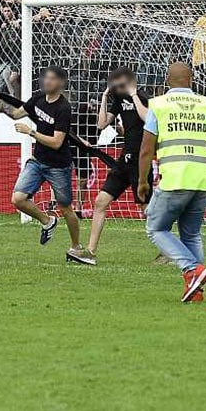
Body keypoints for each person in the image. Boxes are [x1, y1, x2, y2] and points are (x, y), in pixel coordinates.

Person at [137, 62, 206, 303]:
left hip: (175, 178)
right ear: (191, 80)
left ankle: (193, 270)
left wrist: (142, 180)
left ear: (167, 80)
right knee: (191, 234)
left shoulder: (158, 105)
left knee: (156, 228)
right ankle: (196, 290)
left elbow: (146, 148)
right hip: (202, 178)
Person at [68, 66, 149, 265]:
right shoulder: (119, 101)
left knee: (147, 210)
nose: (117, 86)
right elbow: (101, 124)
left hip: (141, 159)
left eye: (121, 82)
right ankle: (90, 252)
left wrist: (134, 95)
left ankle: (168, 249)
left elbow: (148, 118)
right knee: (101, 201)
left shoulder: (144, 97)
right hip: (124, 159)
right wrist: (105, 97)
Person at [5, 66, 80, 249]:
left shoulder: (63, 108)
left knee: (66, 208)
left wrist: (31, 131)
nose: (47, 81)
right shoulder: (38, 99)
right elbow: (16, 114)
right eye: (45, 77)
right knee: (18, 199)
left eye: (52, 78)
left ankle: (76, 247)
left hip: (58, 166)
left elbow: (56, 142)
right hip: (38, 161)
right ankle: (48, 221)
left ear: (61, 83)